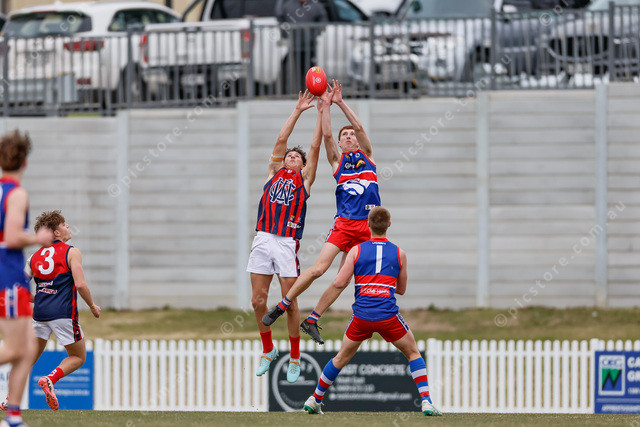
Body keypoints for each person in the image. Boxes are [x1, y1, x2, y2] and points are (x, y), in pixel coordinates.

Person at [263, 80, 381, 344]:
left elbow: (360, 128)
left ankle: (312, 319)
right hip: (344, 225)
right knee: (318, 269)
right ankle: (282, 306)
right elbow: (326, 136)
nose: (349, 136)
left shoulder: (369, 157)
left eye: (351, 134)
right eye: (344, 135)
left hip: (365, 229)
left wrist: (341, 102)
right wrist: (325, 106)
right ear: (339, 142)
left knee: (342, 280)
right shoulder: (338, 162)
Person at [301, 207, 442, 416]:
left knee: (340, 358)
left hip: (362, 316)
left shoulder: (356, 251)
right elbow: (401, 290)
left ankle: (315, 399)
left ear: (367, 224)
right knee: (413, 353)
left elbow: (339, 282)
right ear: (389, 225)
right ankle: (427, 402)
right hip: (388, 315)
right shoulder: (399, 253)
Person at [246, 90, 323, 383]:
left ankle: (294, 356)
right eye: (289, 154)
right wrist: (298, 110)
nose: (292, 156)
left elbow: (314, 147)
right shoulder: (273, 173)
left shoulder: (304, 180)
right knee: (257, 301)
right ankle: (268, 349)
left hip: (286, 243)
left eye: (297, 157)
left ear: (302, 165)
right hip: (263, 238)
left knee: (289, 301)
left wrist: (321, 113)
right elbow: (281, 140)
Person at [0, 130, 54, 427]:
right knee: (15, 348)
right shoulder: (17, 193)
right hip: (7, 276)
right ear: (25, 162)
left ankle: (13, 415)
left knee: (28, 348)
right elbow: (11, 237)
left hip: (11, 278)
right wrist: (38, 238)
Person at [26, 210, 100, 411]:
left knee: (29, 358)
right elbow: (81, 285)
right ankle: (50, 379)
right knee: (78, 357)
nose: (68, 226)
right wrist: (92, 306)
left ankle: (9, 398)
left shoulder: (33, 257)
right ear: (56, 233)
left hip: (40, 314)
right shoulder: (72, 252)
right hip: (63, 313)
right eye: (64, 224)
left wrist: (39, 297)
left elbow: (19, 288)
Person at [277, 0, 328, 92]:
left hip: (310, 46)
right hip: (294, 45)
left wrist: (314, 34)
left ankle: (312, 90)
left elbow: (323, 21)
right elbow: (281, 19)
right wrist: (285, 34)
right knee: (294, 70)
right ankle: (297, 91)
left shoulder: (315, 5)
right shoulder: (288, 5)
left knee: (311, 70)